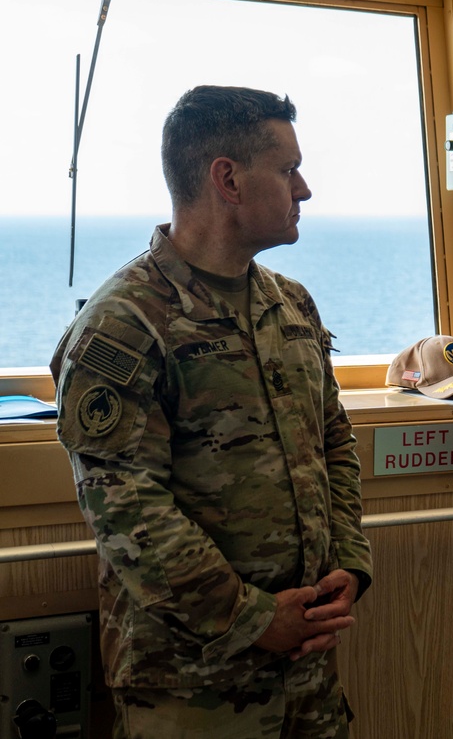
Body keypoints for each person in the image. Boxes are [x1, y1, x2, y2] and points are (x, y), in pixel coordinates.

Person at [50, 85, 373, 739]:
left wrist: (350, 563)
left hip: (307, 674)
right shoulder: (124, 323)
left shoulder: (292, 305)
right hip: (191, 686)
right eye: (287, 170)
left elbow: (332, 439)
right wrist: (251, 618)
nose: (304, 188)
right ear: (228, 178)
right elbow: (127, 507)